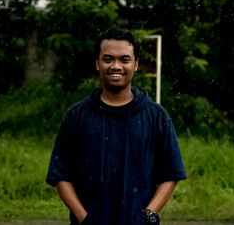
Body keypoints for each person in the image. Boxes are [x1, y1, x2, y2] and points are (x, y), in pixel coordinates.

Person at [46, 27, 186, 225]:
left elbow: (171, 174)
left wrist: (147, 215)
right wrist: (84, 218)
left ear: (136, 64)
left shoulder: (156, 116)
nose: (116, 66)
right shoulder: (77, 116)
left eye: (124, 59)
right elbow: (61, 175)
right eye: (108, 59)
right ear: (97, 63)